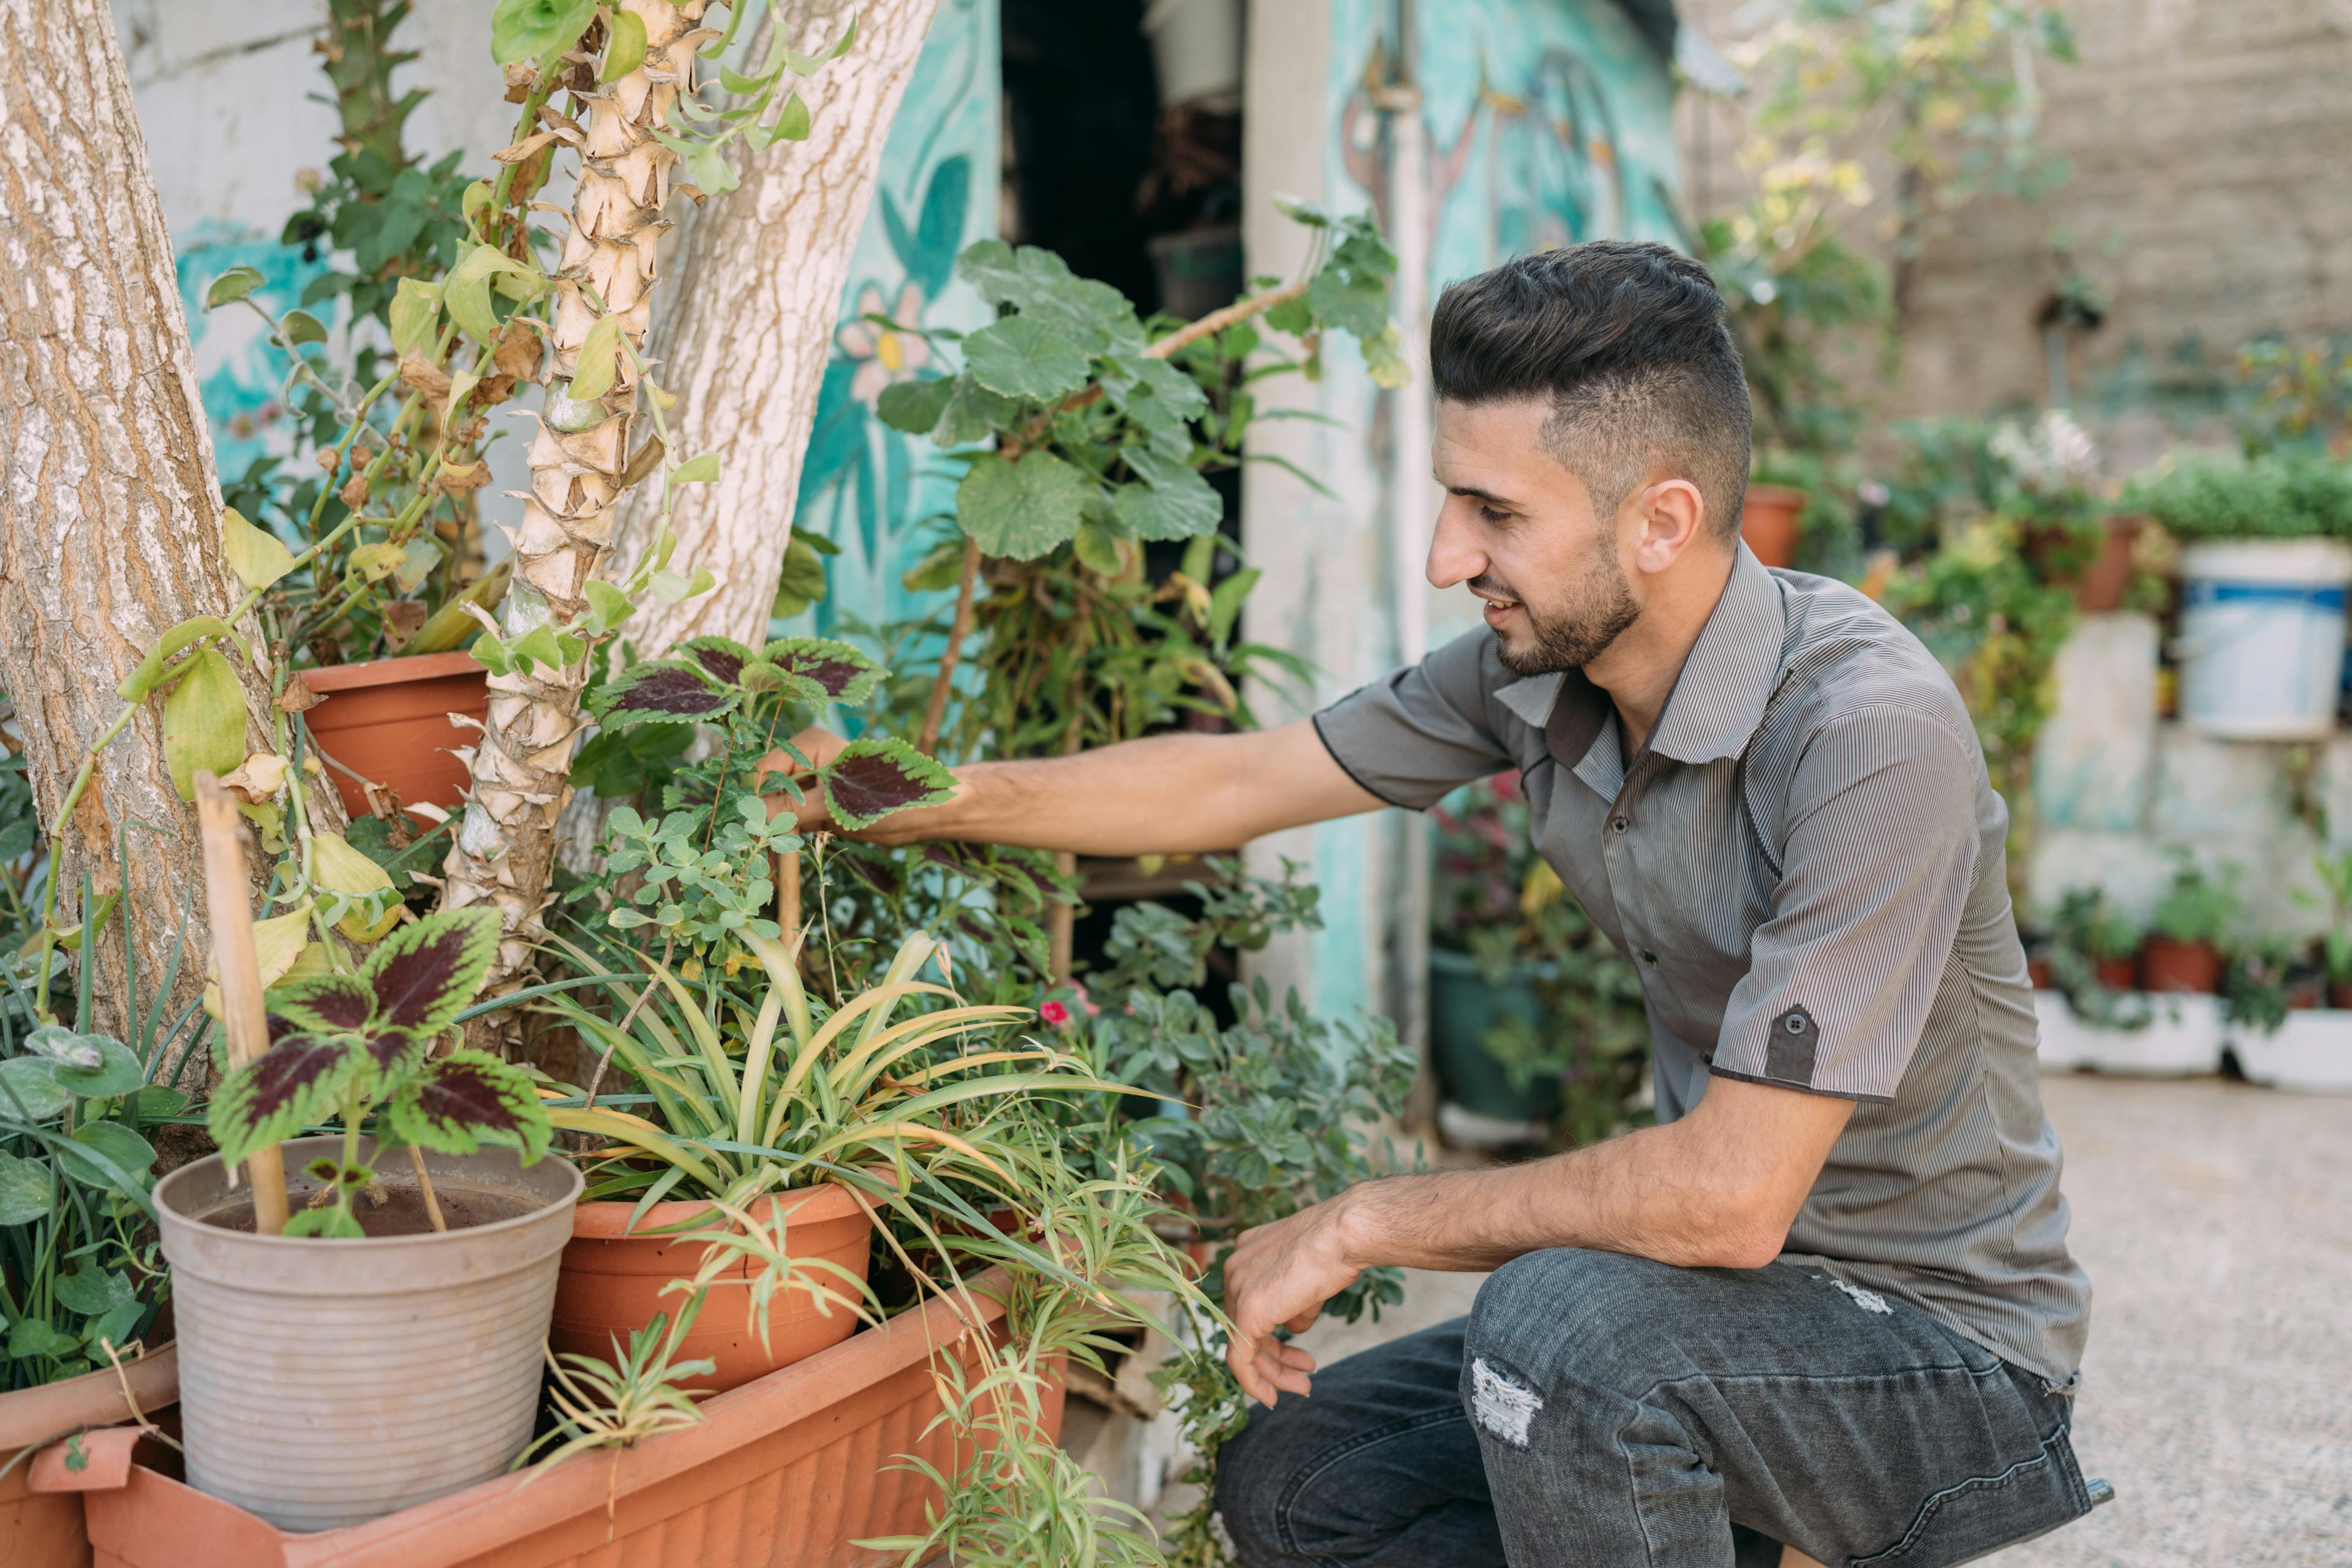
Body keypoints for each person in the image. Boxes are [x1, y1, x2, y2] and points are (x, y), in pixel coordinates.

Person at [777, 240, 2093, 1567]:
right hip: (1714, 1323)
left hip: (1945, 1356)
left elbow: (1730, 1197)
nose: (1443, 554)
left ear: (1662, 519)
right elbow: (1234, 780)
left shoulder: (1870, 732)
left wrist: (1364, 1216)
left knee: (1565, 1327)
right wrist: (898, 790)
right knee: (1302, 1475)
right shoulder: (1532, 673)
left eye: (1494, 512)